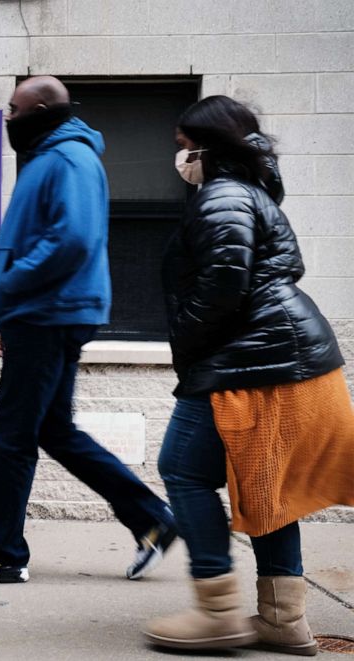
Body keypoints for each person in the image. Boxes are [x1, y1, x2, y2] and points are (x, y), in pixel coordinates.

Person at [0, 76, 177, 585]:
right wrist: (12, 312)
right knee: (53, 430)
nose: (7, 118)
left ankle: (1, 553)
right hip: (44, 314)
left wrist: (9, 294)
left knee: (13, 433)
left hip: (48, 313)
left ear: (42, 109)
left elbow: (70, 241)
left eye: (14, 108)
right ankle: (151, 518)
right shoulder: (53, 156)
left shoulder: (69, 158)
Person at [144, 95, 354, 653]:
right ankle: (283, 621)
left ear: (207, 147)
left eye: (184, 148)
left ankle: (217, 613)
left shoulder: (224, 196)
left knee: (182, 469)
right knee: (269, 485)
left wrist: (185, 341)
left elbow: (221, 287)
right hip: (287, 358)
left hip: (255, 362)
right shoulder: (251, 192)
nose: (181, 158)